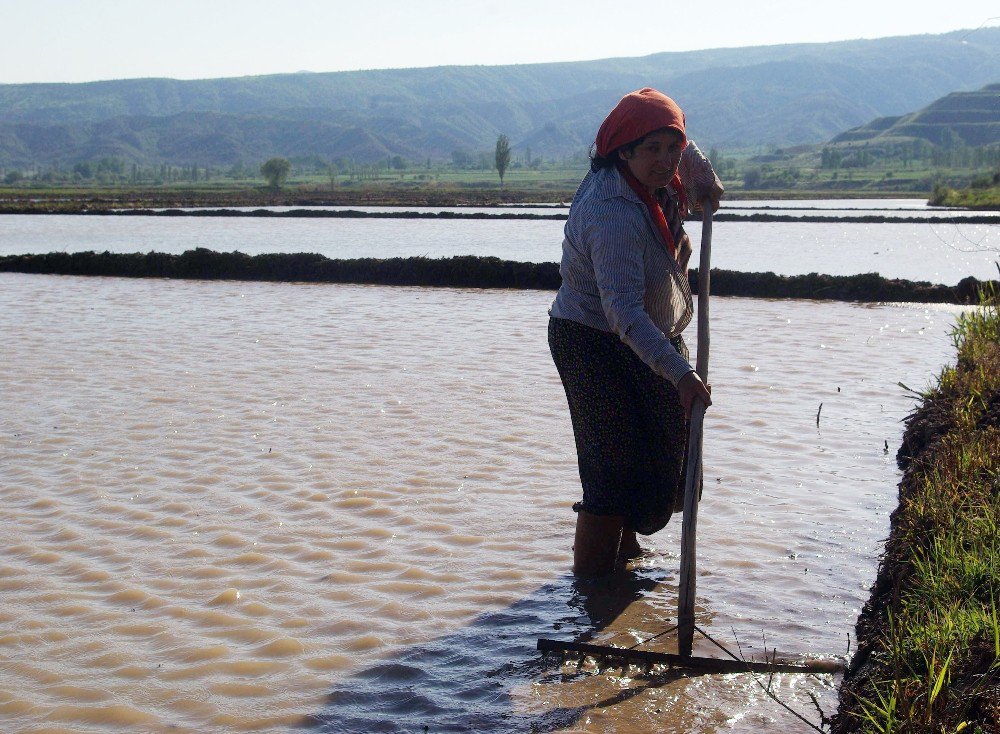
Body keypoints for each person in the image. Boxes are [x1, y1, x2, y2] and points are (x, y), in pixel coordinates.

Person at [548, 87, 724, 577]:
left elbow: (683, 151)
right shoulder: (612, 212)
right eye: (653, 150)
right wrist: (682, 376)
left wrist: (701, 174)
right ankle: (592, 594)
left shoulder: (663, 164)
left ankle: (627, 554)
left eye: (673, 149)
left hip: (652, 320)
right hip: (591, 339)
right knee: (611, 466)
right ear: (623, 152)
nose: (666, 162)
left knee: (671, 445)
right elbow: (622, 312)